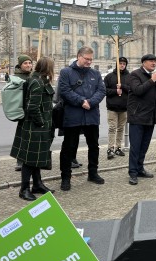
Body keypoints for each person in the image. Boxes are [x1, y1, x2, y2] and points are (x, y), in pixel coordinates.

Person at [58, 46, 106, 191]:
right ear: (79, 56)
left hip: (91, 115)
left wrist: (90, 102)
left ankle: (93, 173)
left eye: (91, 59)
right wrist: (81, 101)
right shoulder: (66, 72)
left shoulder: (96, 73)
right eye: (86, 59)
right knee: (69, 147)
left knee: (94, 146)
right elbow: (65, 91)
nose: (89, 62)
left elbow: (101, 90)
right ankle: (66, 177)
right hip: (73, 115)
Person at [10, 56, 55, 201]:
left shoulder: (39, 79)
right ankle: (24, 190)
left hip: (38, 126)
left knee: (36, 158)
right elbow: (33, 107)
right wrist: (41, 123)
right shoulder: (36, 82)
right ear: (47, 68)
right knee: (29, 160)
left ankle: (37, 184)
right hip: (35, 127)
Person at [126, 54, 156, 185]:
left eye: (155, 61)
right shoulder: (135, 75)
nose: (154, 63)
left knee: (144, 146)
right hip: (137, 117)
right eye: (151, 61)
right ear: (143, 63)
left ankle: (140, 168)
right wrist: (152, 81)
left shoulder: (155, 77)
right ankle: (133, 173)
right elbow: (137, 90)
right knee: (135, 147)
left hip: (150, 117)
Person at [104, 56, 130, 159]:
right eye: (120, 63)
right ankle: (110, 149)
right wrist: (115, 91)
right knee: (112, 128)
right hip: (112, 107)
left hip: (124, 108)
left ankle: (118, 148)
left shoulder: (129, 76)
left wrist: (122, 86)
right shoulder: (109, 77)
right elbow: (104, 91)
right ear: (117, 64)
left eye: (124, 64)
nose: (122, 65)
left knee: (120, 129)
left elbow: (132, 89)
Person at [12, 54, 33, 172]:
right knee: (22, 135)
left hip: (31, 109)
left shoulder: (32, 75)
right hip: (23, 110)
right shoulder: (17, 77)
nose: (28, 65)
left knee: (30, 136)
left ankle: (29, 158)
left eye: (30, 63)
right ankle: (20, 161)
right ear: (21, 65)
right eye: (25, 63)